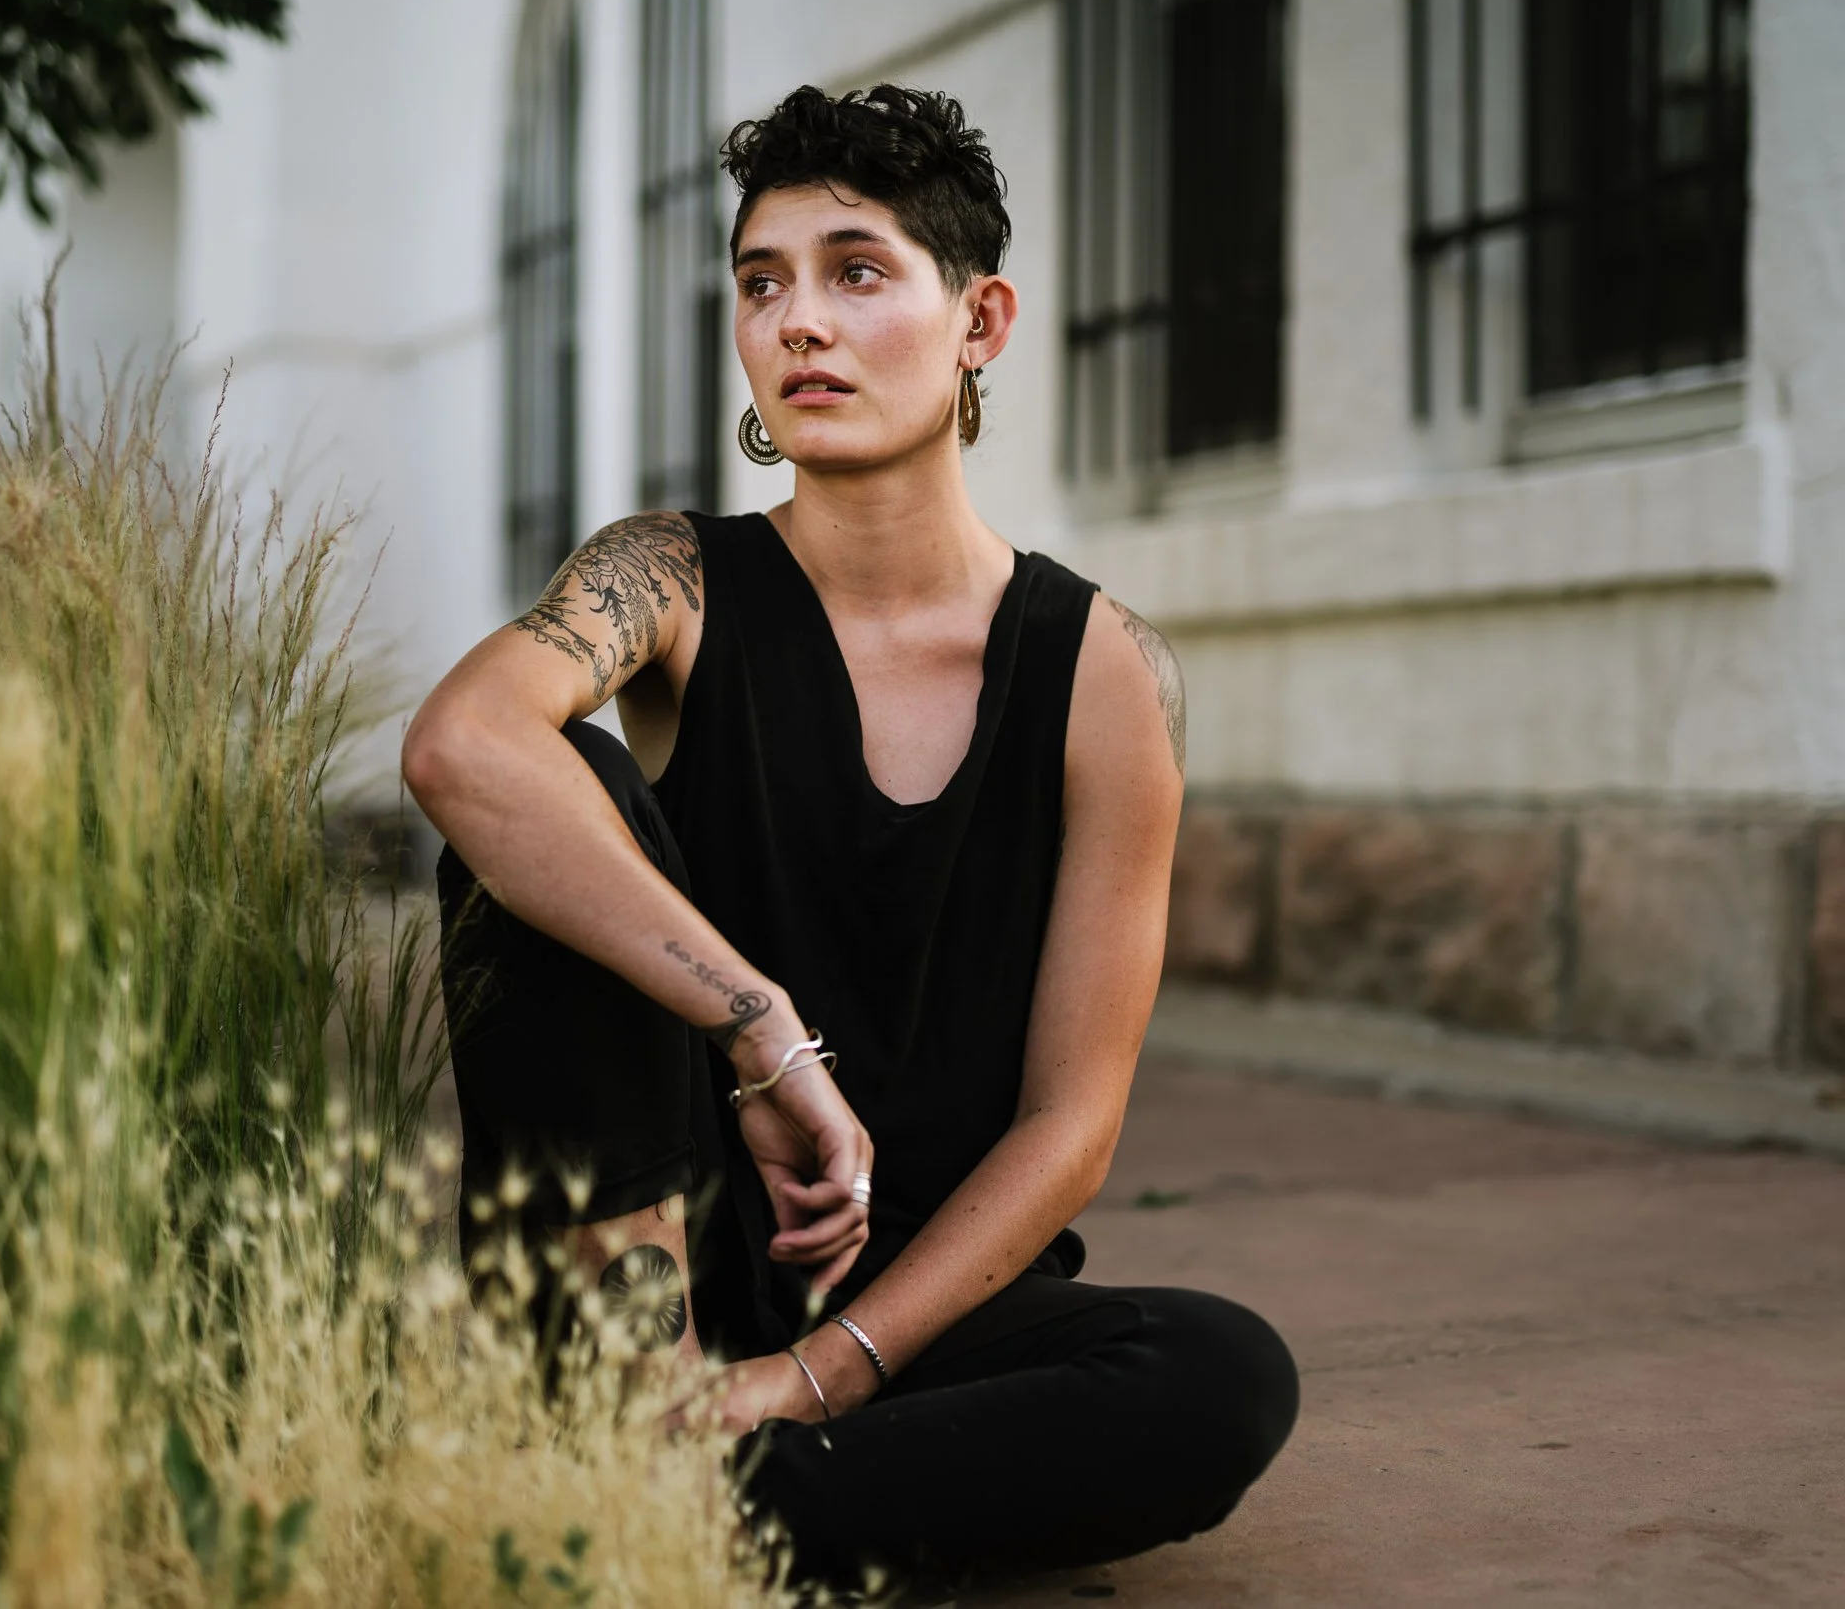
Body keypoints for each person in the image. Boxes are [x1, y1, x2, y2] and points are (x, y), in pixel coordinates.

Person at [402, 82, 1297, 1594]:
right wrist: (761, 1031)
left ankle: (670, 1502)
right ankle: (650, 1427)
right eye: (763, 284)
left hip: (915, 1315)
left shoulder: (1106, 676)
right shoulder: (671, 580)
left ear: (981, 321)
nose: (798, 320)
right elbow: (460, 745)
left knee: (1220, 1374)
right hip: (650, 1263)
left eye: (857, 271)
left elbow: (1071, 1128)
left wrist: (821, 1372)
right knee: (553, 794)